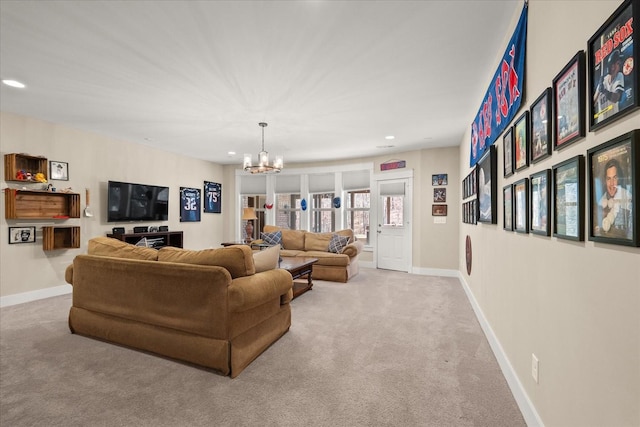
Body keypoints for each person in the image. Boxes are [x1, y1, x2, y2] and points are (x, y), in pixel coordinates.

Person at [598, 158, 632, 237]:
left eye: (615, 178)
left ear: (619, 179)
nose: (612, 183)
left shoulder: (628, 198)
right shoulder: (601, 202)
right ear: (605, 181)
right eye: (609, 179)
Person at [593, 50, 625, 123]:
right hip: (601, 124)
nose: (619, 65)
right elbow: (593, 104)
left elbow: (616, 98)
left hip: (614, 121)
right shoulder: (603, 81)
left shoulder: (619, 76)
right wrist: (598, 90)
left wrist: (604, 91)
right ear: (613, 66)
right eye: (618, 63)